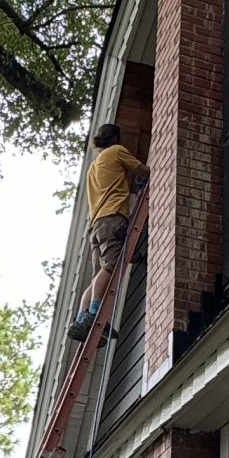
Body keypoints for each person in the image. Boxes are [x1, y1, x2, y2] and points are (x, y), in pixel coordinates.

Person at [66, 121, 147, 340]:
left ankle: (81, 319)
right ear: (116, 139)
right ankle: (93, 314)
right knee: (110, 267)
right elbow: (142, 170)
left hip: (96, 226)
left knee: (98, 276)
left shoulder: (93, 167)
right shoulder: (117, 151)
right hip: (112, 219)